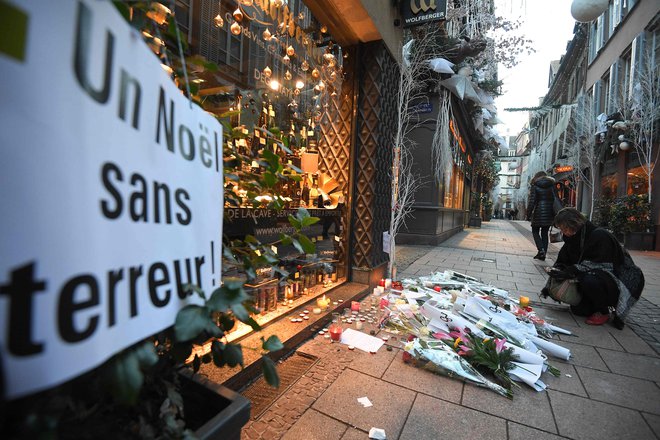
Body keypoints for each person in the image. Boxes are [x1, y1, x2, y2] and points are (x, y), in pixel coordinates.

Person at [542, 208, 644, 328]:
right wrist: (559, 271)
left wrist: (573, 270)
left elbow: (602, 265)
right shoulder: (573, 239)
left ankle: (603, 311)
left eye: (565, 229)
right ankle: (594, 304)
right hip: (596, 277)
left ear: (574, 225)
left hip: (616, 278)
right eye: (561, 229)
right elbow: (564, 260)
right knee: (578, 310)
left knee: (588, 280)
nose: (563, 233)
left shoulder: (599, 235)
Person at [526, 171, 557, 260]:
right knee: (544, 233)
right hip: (549, 212)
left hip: (538, 212)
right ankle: (543, 254)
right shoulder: (552, 185)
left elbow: (532, 201)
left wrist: (528, 214)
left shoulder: (535, 185)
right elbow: (556, 199)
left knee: (535, 231)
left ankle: (541, 250)